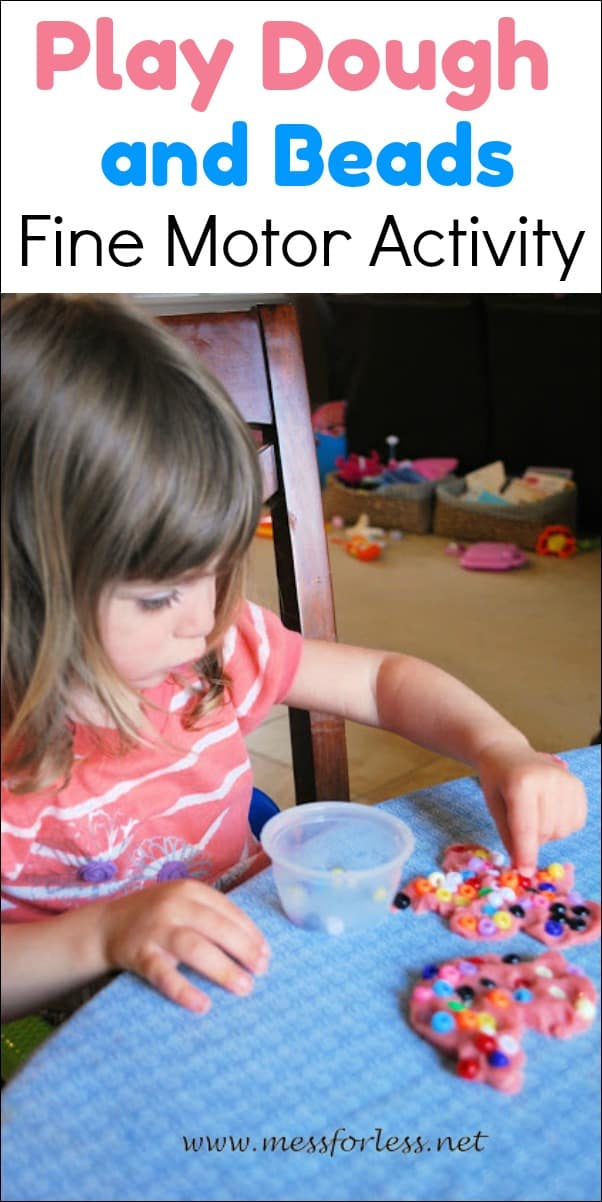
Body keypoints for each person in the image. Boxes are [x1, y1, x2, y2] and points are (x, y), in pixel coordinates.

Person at [1, 294, 587, 1024]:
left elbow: (381, 681)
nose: (206, 617)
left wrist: (498, 746)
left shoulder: (213, 649)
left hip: (255, 953)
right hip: (75, 1026)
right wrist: (104, 936)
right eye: (158, 596)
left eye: (221, 567)